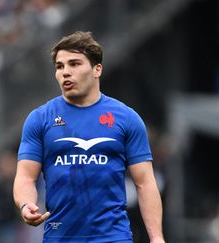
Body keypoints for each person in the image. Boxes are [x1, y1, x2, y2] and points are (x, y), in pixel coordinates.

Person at [13, 31, 165, 243]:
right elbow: (25, 177)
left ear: (97, 69)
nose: (65, 72)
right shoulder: (40, 119)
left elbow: (145, 182)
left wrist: (157, 237)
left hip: (113, 237)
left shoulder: (126, 118)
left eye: (74, 64)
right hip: (60, 237)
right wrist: (26, 203)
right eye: (60, 66)